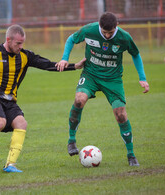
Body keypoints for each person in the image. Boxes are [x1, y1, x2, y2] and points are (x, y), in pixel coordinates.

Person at [0, 24, 85, 173]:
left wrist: (74, 66)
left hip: (9, 100)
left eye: (22, 43)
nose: (21, 46)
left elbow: (48, 65)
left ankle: (10, 165)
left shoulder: (25, 56)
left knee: (21, 123)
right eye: (18, 43)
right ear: (8, 40)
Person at [56, 12, 149, 166]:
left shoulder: (124, 37)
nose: (106, 35)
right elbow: (71, 39)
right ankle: (71, 141)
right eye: (104, 32)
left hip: (113, 79)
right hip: (91, 74)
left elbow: (136, 54)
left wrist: (143, 78)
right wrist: (65, 57)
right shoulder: (89, 30)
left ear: (116, 26)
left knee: (120, 114)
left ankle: (131, 155)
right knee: (79, 100)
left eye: (110, 33)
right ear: (99, 26)